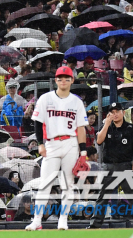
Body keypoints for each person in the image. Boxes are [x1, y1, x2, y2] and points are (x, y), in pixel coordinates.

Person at [25, 66, 88, 231]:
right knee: (45, 183)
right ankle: (37, 220)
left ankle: (63, 220)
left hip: (71, 143)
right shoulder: (46, 98)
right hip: (51, 143)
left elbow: (81, 128)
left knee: (68, 184)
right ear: (56, 80)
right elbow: (38, 123)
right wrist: (40, 143)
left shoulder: (77, 102)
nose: (63, 81)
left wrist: (83, 151)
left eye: (67, 78)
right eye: (60, 78)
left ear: (72, 80)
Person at [88, 102, 133, 228]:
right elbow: (99, 140)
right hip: (109, 166)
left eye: (117, 111)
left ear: (123, 112)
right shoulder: (106, 126)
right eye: (112, 112)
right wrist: (107, 124)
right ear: (109, 114)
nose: (115, 114)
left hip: (126, 166)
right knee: (102, 197)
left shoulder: (131, 128)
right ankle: (94, 226)